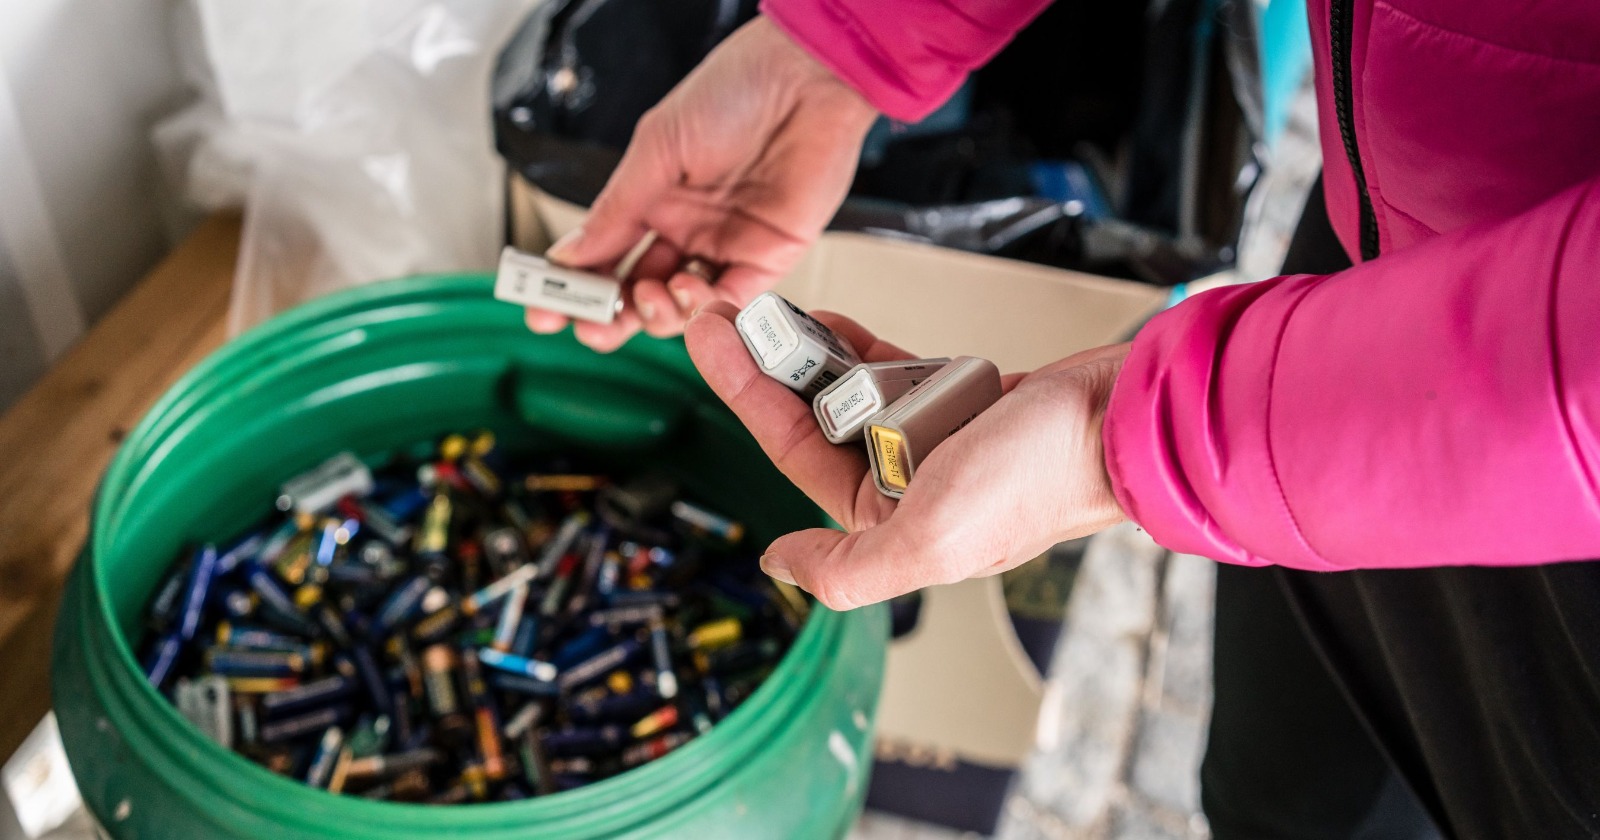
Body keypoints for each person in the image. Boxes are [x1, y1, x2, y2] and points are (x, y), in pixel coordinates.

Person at [522, 2, 1600, 836]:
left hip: (1542, 521)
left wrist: (1123, 433)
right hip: (1366, 298)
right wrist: (847, 45)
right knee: (1284, 798)